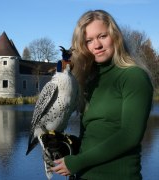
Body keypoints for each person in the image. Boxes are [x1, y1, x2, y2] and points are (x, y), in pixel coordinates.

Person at [51, 9, 154, 180]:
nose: (96, 45)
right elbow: (92, 133)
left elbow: (130, 136)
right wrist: (65, 144)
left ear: (116, 37)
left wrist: (77, 162)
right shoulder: (90, 80)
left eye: (102, 36)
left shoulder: (134, 77)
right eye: (89, 40)